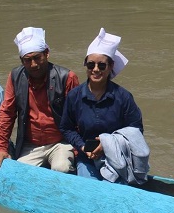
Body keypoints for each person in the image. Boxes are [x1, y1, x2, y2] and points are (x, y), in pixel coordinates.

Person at [59, 28, 147, 184]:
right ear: (85, 65)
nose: (95, 70)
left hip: (119, 159)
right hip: (87, 158)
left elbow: (136, 130)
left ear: (111, 66)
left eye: (101, 66)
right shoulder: (75, 96)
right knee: (89, 190)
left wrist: (107, 145)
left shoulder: (123, 97)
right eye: (91, 64)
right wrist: (82, 146)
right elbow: (67, 128)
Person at [0, 27, 80, 173]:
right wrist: (1, 148)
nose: (33, 64)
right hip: (31, 145)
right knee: (16, 173)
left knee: (61, 168)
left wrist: (78, 149)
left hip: (60, 142)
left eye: (37, 58)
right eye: (28, 60)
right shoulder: (15, 77)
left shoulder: (67, 77)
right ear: (21, 61)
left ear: (47, 53)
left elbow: (78, 117)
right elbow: (7, 113)